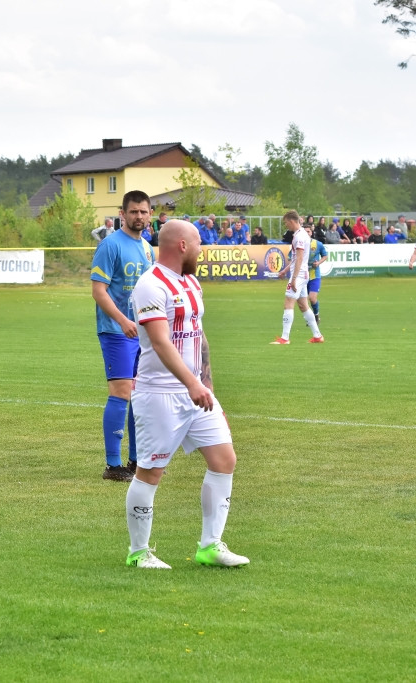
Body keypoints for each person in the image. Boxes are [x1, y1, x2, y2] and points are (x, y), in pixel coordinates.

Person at [124, 218, 249, 570]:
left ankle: (210, 546)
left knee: (225, 460)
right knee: (151, 472)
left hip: (196, 394)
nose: (200, 250)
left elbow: (199, 335)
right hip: (160, 394)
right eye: (197, 244)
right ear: (181, 245)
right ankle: (139, 552)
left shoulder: (192, 283)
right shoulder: (150, 285)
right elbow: (161, 342)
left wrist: (207, 386)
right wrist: (191, 384)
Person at [90, 189, 156, 482]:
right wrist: (122, 320)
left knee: (139, 396)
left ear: (150, 214)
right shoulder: (110, 245)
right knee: (121, 393)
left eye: (143, 212)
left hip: (141, 332)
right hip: (116, 331)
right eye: (133, 212)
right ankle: (112, 465)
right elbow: (98, 291)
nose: (138, 217)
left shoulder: (148, 248)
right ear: (122, 214)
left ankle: (135, 460)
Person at [271, 210, 324, 344]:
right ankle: (317, 336)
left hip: (299, 275)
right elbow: (296, 258)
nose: (286, 225)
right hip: (302, 273)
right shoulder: (301, 235)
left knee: (288, 302)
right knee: (303, 306)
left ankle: (285, 338)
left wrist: (294, 279)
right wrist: (284, 271)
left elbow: (299, 258)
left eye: (286, 223)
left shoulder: (300, 237)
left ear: (292, 221)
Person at [303, 224, 328, 324]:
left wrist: (318, 263)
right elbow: (291, 257)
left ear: (311, 232)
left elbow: (325, 256)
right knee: (303, 301)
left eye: (308, 231)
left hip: (314, 275)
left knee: (312, 298)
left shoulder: (318, 244)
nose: (306, 233)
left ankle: (316, 315)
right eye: (304, 232)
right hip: (302, 275)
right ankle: (311, 319)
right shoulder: (298, 244)